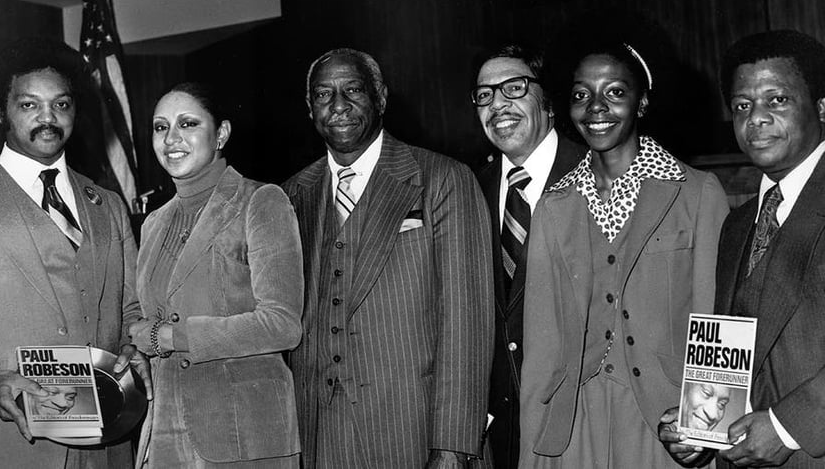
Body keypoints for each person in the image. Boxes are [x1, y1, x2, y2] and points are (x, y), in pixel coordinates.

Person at [518, 36, 729, 468]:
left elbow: (717, 324)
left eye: (615, 92)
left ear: (642, 103)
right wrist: (532, 450)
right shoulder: (555, 205)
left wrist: (705, 427)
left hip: (666, 422)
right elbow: (542, 345)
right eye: (582, 95)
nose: (596, 107)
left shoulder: (696, 193)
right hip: (573, 425)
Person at [283, 48, 493, 468]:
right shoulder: (290, 195)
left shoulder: (442, 178)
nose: (338, 106)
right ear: (310, 108)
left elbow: (467, 322)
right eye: (323, 95)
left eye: (353, 90)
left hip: (414, 431)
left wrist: (451, 446)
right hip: (319, 434)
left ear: (379, 96)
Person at [0, 37, 151, 468]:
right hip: (12, 443)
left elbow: (131, 308)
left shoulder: (108, 203)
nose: (47, 118)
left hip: (109, 442)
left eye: (60, 104)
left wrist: (136, 348)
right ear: (3, 113)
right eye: (29, 105)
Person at [660, 29, 825, 469]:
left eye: (778, 100)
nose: (757, 118)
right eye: (742, 105)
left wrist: (790, 426)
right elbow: (728, 350)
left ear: (822, 107)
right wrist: (697, 427)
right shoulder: (737, 223)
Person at [129, 82, 303, 468]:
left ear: (221, 134)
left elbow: (282, 324)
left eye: (187, 123)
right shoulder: (153, 223)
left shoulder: (261, 201)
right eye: (160, 127)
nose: (171, 138)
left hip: (243, 435)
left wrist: (173, 336)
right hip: (165, 436)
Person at [471, 44, 582, 469]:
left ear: (548, 100)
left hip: (577, 425)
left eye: (513, 88)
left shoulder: (595, 174)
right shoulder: (467, 192)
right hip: (498, 437)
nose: (498, 104)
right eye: (484, 95)